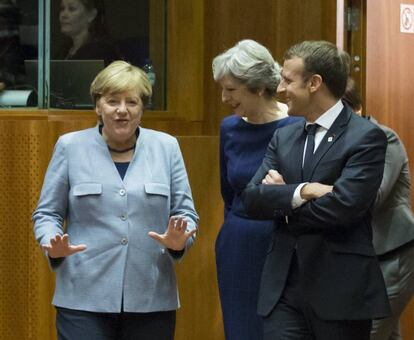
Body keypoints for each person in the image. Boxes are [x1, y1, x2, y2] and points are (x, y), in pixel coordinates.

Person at [32, 60, 198, 340]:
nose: (122, 110)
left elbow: (185, 213)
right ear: (98, 106)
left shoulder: (167, 147)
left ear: (142, 108)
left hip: (151, 296)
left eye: (131, 102)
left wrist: (180, 242)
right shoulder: (70, 147)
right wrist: (52, 244)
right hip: (83, 296)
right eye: (112, 101)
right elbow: (47, 213)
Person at [241, 40, 390, 340]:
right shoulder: (283, 137)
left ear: (314, 83)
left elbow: (345, 207)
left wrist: (283, 203)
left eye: (287, 80)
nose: (280, 89)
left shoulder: (366, 137)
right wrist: (305, 191)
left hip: (339, 292)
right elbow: (252, 199)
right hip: (283, 289)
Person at [212, 39, 302, 340]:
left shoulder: (297, 125)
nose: (224, 97)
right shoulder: (229, 128)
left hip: (284, 243)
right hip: (238, 245)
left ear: (259, 87)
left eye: (231, 89)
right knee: (240, 329)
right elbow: (229, 192)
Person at [343, 78, 414, 340]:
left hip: (392, 255)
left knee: (370, 332)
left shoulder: (384, 138)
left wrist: (318, 190)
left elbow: (370, 197)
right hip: (361, 259)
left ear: (357, 109)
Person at [55, 0, 121, 65]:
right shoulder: (63, 52)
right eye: (62, 8)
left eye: (72, 9)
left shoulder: (99, 52)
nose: (63, 15)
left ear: (91, 15)